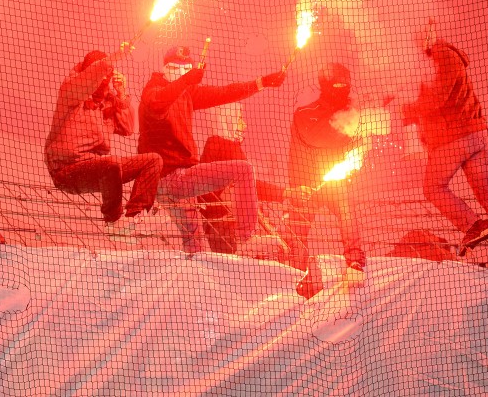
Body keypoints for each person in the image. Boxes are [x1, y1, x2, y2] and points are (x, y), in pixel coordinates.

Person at [402, 20, 488, 287]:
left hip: (457, 137)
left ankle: (474, 226)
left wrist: (404, 112)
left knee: (433, 187)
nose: (414, 42)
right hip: (475, 137)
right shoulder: (434, 61)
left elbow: (436, 99)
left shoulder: (443, 56)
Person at [137, 45, 287, 256]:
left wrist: (261, 83)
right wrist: (187, 81)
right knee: (243, 170)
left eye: (186, 69)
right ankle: (247, 237)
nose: (181, 74)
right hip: (171, 178)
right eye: (175, 68)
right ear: (164, 69)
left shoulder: (187, 94)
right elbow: (158, 103)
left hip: (172, 183)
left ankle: (192, 283)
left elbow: (224, 93)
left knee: (195, 246)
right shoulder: (153, 91)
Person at [45, 46, 163, 241]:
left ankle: (135, 216)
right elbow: (85, 82)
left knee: (153, 160)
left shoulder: (108, 102)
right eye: (97, 75)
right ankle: (113, 222)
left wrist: (122, 94)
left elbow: (127, 128)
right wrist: (114, 58)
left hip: (95, 168)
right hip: (66, 171)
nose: (102, 80)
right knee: (111, 164)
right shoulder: (71, 93)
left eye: (105, 76)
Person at [287, 63, 367, 299]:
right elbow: (319, 137)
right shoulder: (305, 112)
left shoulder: (353, 113)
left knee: (347, 211)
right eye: (337, 85)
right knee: (297, 228)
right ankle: (294, 271)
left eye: (345, 85)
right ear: (325, 85)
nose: (342, 90)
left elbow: (358, 142)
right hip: (305, 183)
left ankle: (355, 263)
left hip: (336, 182)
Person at [197, 102, 288, 255]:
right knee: (233, 267)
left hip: (224, 221)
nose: (244, 125)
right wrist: (284, 193)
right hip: (225, 222)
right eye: (240, 119)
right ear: (228, 119)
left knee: (232, 267)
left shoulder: (221, 145)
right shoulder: (222, 145)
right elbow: (247, 185)